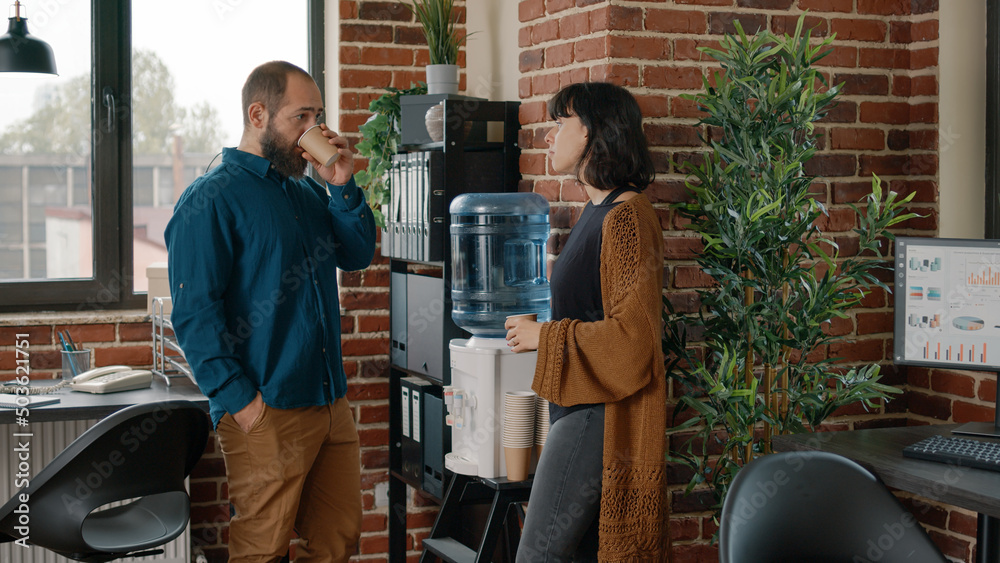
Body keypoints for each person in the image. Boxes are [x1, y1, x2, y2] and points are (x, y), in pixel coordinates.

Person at [164, 60, 376, 563]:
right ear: (258, 114)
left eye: (319, 115)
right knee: (263, 550)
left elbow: (358, 254)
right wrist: (243, 404)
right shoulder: (210, 198)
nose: (316, 130)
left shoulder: (305, 189)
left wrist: (342, 184)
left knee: (337, 543)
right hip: (265, 409)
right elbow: (195, 315)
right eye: (301, 117)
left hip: (329, 403)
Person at [505, 82, 668, 562]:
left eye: (561, 123)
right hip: (579, 408)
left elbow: (633, 341)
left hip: (600, 415)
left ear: (593, 131)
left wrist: (546, 336)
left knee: (537, 555)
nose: (549, 137)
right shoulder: (596, 213)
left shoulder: (626, 217)